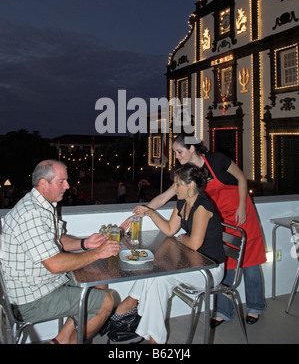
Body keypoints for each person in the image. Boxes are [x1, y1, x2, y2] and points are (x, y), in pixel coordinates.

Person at [131, 134, 266, 326]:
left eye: (179, 151)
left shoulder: (217, 160)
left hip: (240, 214)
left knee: (250, 263)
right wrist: (141, 213)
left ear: (192, 148)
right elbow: (164, 197)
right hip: (218, 217)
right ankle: (224, 311)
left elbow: (241, 178)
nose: (176, 156)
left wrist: (242, 205)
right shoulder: (189, 173)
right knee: (226, 262)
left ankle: (256, 306)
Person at [0, 160, 121, 344]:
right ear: (43, 184)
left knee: (97, 278)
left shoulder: (42, 205)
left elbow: (57, 239)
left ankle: (60, 341)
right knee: (106, 301)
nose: (67, 186)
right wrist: (97, 253)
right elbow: (54, 264)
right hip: (31, 298)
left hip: (43, 282)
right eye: (61, 181)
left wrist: (85, 243)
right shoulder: (30, 214)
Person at [109, 163, 225, 344]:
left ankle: (136, 316)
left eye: (178, 184)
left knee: (160, 278)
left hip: (210, 270)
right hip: (192, 263)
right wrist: (150, 213)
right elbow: (170, 229)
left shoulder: (202, 206)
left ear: (191, 186)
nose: (175, 188)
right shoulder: (183, 203)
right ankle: (150, 335)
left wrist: (181, 238)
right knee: (153, 271)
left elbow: (194, 243)